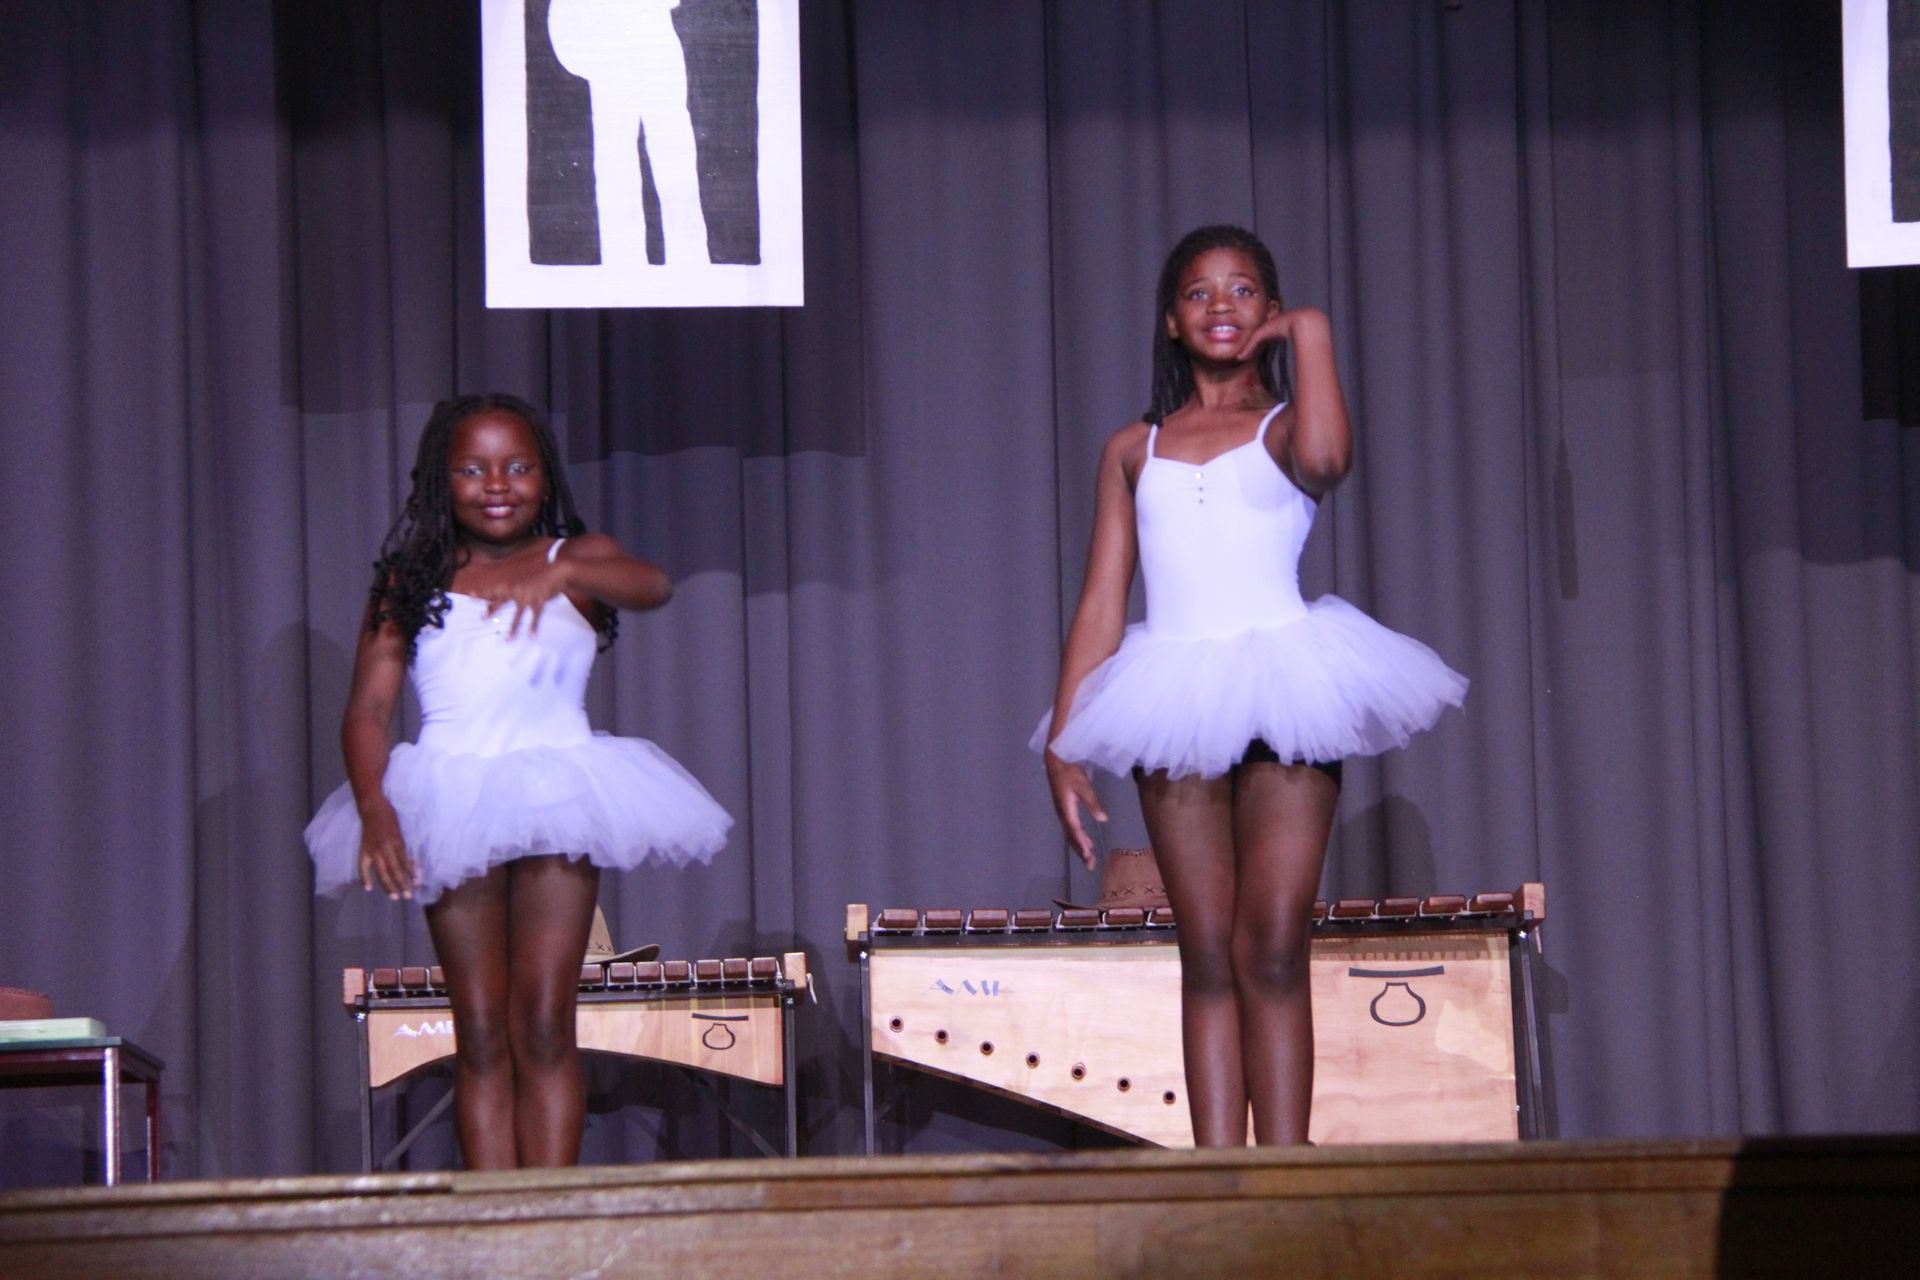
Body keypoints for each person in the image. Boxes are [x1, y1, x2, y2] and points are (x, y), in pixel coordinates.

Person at [1034, 226, 1467, 1146]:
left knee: (1271, 945)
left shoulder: (1281, 429)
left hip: (1283, 688)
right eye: (1199, 292)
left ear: (1267, 313)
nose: (1220, 306)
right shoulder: (1132, 450)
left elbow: (1328, 461)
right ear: (1170, 320)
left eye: (1243, 292)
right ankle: (1218, 1180)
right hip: (1175, 699)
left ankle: (1286, 1182)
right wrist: (1064, 741)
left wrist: (1310, 333)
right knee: (1206, 952)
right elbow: (1103, 603)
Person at [305, 393, 730, 1169]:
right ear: (443, 479)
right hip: (450, 798)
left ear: (543, 475)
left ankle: (551, 1215)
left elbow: (654, 585)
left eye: (516, 466)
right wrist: (375, 809)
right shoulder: (411, 577)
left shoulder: (582, 557)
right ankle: (494, 1219)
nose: (496, 483)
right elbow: (368, 706)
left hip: (557, 796)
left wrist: (563, 564)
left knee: (542, 1017)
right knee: (479, 1023)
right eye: (472, 468)